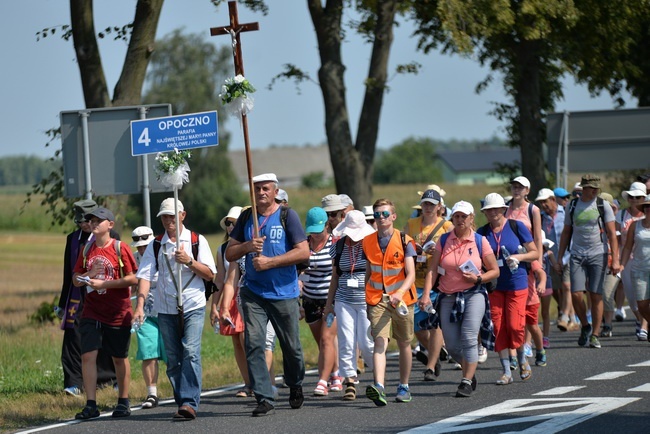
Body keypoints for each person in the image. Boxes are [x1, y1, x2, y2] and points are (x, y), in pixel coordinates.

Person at [225, 173, 309, 417]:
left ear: (275, 191)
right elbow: (230, 253)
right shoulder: (245, 217)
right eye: (256, 189)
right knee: (254, 343)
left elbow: (304, 253)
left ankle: (295, 383)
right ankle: (264, 396)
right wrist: (247, 247)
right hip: (253, 292)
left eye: (265, 189)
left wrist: (271, 262)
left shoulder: (287, 215)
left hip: (284, 292)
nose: (261, 193)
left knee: (291, 347)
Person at [134, 198, 216, 421]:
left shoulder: (196, 240)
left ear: (182, 215)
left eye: (172, 215)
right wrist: (140, 306)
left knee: (190, 351)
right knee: (173, 358)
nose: (168, 220)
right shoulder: (156, 243)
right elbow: (144, 276)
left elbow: (210, 274)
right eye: (164, 216)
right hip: (166, 306)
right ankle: (182, 399)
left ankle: (189, 403)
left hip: (193, 304)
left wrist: (189, 261)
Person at [422, 200, 499, 397]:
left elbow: (495, 270)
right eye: (456, 216)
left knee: (469, 337)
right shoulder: (444, 240)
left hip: (473, 294)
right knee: (452, 345)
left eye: (464, 216)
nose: (460, 220)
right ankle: (470, 373)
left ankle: (465, 381)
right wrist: (425, 295)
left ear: (471, 218)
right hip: (448, 296)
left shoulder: (480, 241)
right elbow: (432, 269)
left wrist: (478, 278)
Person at [71, 207, 138, 420]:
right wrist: (86, 276)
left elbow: (132, 278)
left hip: (118, 311)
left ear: (110, 224)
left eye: (99, 220)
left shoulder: (120, 248)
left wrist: (106, 282)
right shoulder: (86, 249)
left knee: (119, 357)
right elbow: (75, 278)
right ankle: (91, 404)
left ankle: (123, 401)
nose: (94, 223)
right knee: (88, 355)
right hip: (92, 310)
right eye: (91, 220)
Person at [57, 199, 117, 397]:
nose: (84, 225)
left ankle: (108, 378)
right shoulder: (72, 239)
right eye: (81, 221)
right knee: (73, 338)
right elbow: (68, 273)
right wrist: (62, 304)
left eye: (88, 220)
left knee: (105, 335)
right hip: (78, 297)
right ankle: (74, 382)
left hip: (104, 294)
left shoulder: (111, 237)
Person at [478, 193, 538, 385]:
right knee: (497, 327)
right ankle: (506, 371)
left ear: (504, 209)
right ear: (485, 213)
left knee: (514, 325)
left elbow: (535, 252)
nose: (493, 213)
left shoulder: (516, 226)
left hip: (516, 282)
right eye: (489, 210)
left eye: (496, 209)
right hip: (494, 285)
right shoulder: (481, 233)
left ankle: (521, 357)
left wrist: (518, 258)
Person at [556, 174, 621, 349]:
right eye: (590, 188)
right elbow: (566, 232)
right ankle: (585, 325)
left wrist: (615, 259)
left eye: (595, 188)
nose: (593, 191)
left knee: (595, 294)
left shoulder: (603, 205)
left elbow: (612, 235)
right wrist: (560, 257)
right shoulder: (573, 205)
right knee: (577, 294)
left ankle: (595, 334)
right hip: (577, 254)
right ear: (583, 189)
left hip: (598, 254)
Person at [363, 198, 417, 405]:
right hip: (377, 300)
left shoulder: (405, 241)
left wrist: (400, 292)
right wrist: (365, 299)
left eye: (385, 214)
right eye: (377, 215)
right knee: (379, 342)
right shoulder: (367, 242)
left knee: (404, 343)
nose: (381, 218)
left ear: (393, 216)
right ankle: (379, 386)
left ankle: (404, 386)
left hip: (402, 301)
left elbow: (411, 274)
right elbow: (369, 272)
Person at [324, 210, 376, 401]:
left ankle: (378, 375)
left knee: (366, 342)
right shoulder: (338, 247)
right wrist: (329, 304)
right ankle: (350, 382)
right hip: (343, 299)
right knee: (346, 340)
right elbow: (335, 276)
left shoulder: (370, 245)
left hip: (365, 300)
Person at [403, 189, 452, 381]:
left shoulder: (447, 226)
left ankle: (431, 366)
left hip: (437, 281)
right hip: (415, 281)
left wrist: (439, 251)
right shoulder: (411, 224)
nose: (428, 208)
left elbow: (456, 249)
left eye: (432, 204)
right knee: (415, 325)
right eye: (425, 204)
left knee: (434, 324)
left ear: (439, 207)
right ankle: (436, 351)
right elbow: (403, 247)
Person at [210, 206, 251, 398]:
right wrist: (214, 306)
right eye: (228, 223)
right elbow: (220, 278)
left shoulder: (249, 243)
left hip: (247, 294)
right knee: (237, 342)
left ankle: (256, 381)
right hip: (230, 296)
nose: (230, 226)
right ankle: (247, 382)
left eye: (234, 222)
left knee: (246, 340)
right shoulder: (222, 249)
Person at [299, 207, 339, 396]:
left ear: (327, 226)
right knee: (321, 343)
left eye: (318, 230)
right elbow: (297, 272)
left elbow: (338, 271)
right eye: (312, 231)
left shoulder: (335, 243)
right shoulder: (304, 245)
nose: (315, 235)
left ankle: (322, 382)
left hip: (330, 300)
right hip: (309, 300)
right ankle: (335, 374)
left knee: (326, 339)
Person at [130, 226, 166, 409]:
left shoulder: (163, 254)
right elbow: (131, 287)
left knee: (171, 353)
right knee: (148, 352)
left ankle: (181, 389)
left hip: (168, 311)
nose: (142, 249)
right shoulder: (134, 260)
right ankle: (152, 394)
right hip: (145, 312)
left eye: (145, 245)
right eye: (139, 246)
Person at [535, 188, 577, 334]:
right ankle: (573, 318)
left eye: (545, 201)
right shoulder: (540, 217)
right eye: (541, 203)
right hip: (551, 258)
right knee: (556, 290)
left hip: (568, 255)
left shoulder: (566, 212)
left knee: (567, 286)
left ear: (553, 199)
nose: (543, 205)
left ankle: (564, 317)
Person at [616, 182, 648, 340]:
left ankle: (644, 326)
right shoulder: (622, 215)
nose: (634, 199)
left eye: (638, 197)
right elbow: (615, 239)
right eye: (631, 196)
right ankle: (640, 319)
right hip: (629, 262)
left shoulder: (646, 214)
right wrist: (617, 260)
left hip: (646, 261)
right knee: (634, 299)